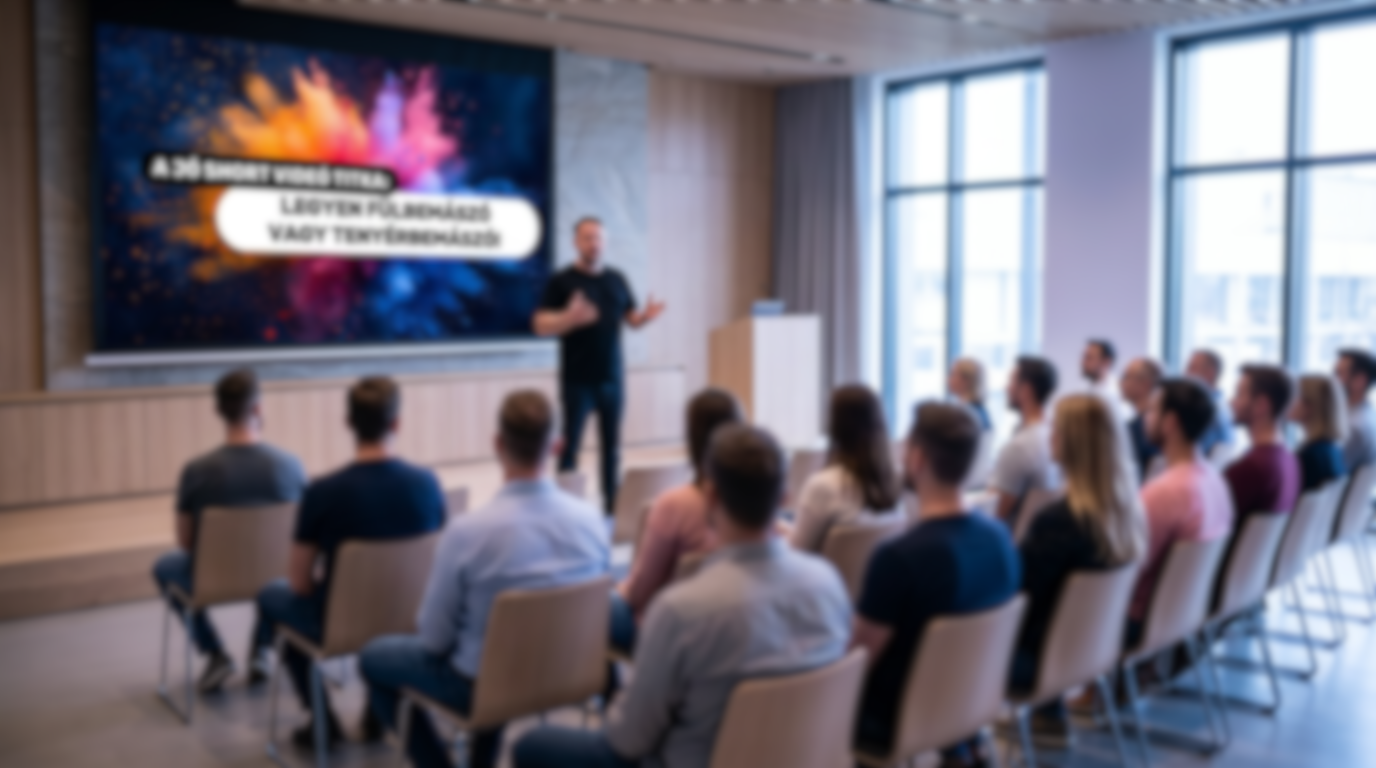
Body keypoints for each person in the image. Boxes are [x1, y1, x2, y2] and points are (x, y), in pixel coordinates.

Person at [512, 424, 851, 768]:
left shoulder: (682, 611)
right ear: (784, 498)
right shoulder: (830, 585)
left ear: (711, 495)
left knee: (532, 745)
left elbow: (628, 741)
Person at [359, 391, 609, 768]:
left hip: (484, 686)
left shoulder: (467, 534)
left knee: (375, 657)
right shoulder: (592, 522)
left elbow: (433, 639)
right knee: (486, 646)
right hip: (570, 674)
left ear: (497, 444)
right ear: (558, 446)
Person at [256, 376, 445, 751]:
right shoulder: (428, 484)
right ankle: (379, 708)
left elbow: (300, 583)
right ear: (397, 424)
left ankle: (322, 720)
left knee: (271, 598)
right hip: (412, 617)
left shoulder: (323, 492)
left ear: (348, 423)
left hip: (337, 624)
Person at [852, 402, 1021, 768]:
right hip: (971, 703)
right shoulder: (1000, 539)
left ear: (917, 458)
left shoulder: (899, 557)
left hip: (898, 719)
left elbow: (857, 661)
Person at [151, 369, 307, 692]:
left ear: (218, 411)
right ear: (259, 409)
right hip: (277, 574)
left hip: (213, 576)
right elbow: (304, 538)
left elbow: (186, 542)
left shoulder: (196, 471)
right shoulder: (291, 466)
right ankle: (261, 647)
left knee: (165, 567)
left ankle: (215, 653)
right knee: (281, 573)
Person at [1013, 394, 1146, 746]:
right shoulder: (1127, 512)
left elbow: (1021, 601)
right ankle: (1048, 714)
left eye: (1056, 428)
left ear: (1072, 441)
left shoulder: (1060, 520)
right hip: (1094, 648)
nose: (1050, 435)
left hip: (1042, 658)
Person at [533, 217, 667, 514]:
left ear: (605, 243)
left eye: (598, 238)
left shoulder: (616, 279)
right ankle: (565, 509)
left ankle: (611, 509)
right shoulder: (562, 281)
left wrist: (645, 317)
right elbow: (540, 324)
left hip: (612, 380)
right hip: (577, 380)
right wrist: (569, 318)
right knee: (570, 450)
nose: (594, 244)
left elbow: (630, 319)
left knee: (612, 450)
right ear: (576, 242)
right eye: (587, 238)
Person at [611, 388, 743, 652]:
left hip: (666, 634)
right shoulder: (756, 512)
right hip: (733, 628)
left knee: (594, 606)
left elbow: (640, 594)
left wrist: (623, 590)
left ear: (692, 437)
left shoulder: (675, 505)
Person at [1129, 378, 1234, 637]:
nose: (1145, 417)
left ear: (1171, 422)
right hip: (1183, 615)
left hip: (1137, 622)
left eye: (1153, 410)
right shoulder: (1215, 479)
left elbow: (1127, 572)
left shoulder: (1163, 492)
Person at [789, 384, 903, 553]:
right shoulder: (895, 477)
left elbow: (797, 552)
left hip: (828, 579)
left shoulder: (823, 486)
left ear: (835, 426)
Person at [990, 356, 1061, 523]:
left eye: (1011, 382)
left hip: (1014, 543)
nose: (1006, 388)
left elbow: (995, 513)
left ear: (1026, 390)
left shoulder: (1019, 447)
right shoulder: (1056, 436)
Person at [1224, 365, 1301, 520]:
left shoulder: (1249, 469)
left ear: (1261, 405)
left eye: (1239, 394)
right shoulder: (1289, 459)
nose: (1231, 402)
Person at [1290, 374, 1350, 493]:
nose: (1288, 401)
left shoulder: (1308, 457)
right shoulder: (1332, 449)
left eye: (1294, 396)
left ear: (1310, 406)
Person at [1119, 357, 1163, 484]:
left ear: (1145, 385)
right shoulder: (1155, 423)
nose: (1121, 382)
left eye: (1126, 376)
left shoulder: (1140, 428)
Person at [1185, 349, 1235, 461]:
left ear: (1210, 373)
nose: (1185, 373)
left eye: (1191, 368)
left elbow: (1194, 456)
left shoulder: (1208, 411)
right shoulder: (1221, 406)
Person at [1334, 348, 1376, 469]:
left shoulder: (1354, 426)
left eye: (1339, 374)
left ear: (1360, 381)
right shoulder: (1368, 415)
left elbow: (1329, 476)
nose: (1332, 381)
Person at [1081, 339, 1128, 418]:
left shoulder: (1119, 392)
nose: (1083, 362)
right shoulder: (1087, 389)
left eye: (1089, 357)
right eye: (1084, 357)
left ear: (1106, 361)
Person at [949, 357, 992, 432]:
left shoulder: (967, 415)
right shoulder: (977, 410)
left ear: (966, 380)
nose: (949, 378)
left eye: (953, 374)